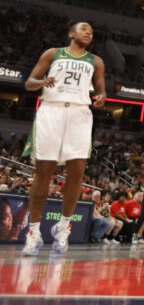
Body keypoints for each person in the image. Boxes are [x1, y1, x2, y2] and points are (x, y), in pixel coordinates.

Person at [21, 21, 106, 255]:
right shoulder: (53, 54)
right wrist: (42, 82)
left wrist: (101, 97)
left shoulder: (96, 61)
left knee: (77, 172)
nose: (89, 32)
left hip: (79, 113)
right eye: (84, 28)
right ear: (71, 33)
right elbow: (29, 83)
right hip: (52, 110)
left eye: (91, 30)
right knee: (43, 174)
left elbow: (101, 89)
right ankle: (34, 232)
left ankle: (63, 228)